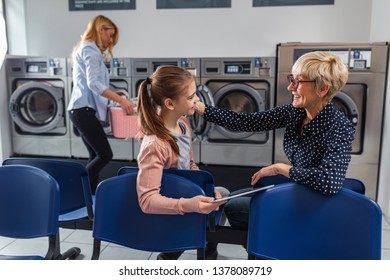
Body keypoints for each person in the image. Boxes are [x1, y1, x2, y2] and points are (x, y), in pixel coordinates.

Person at [194, 51, 355, 229]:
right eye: (291, 80)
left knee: (233, 207)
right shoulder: (296, 112)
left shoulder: (339, 127)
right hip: (297, 189)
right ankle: (227, 248)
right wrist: (204, 110)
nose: (290, 87)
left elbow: (329, 182)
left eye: (297, 82)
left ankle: (267, 250)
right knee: (227, 198)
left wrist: (281, 168)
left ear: (322, 89)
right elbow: (248, 122)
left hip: (314, 203)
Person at [136, 65, 228, 260]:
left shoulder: (183, 124)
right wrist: (190, 204)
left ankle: (206, 251)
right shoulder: (154, 144)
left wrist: (207, 190)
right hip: (172, 207)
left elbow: (190, 165)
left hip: (186, 196)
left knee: (223, 195)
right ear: (170, 103)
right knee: (220, 201)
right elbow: (147, 201)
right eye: (190, 97)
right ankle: (171, 255)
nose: (197, 100)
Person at [67, 15, 134, 194]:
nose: (110, 40)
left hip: (80, 109)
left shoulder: (87, 48)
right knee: (105, 155)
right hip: (83, 110)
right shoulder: (91, 50)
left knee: (94, 155)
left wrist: (116, 95)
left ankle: (90, 200)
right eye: (109, 35)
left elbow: (96, 84)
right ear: (100, 30)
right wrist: (120, 100)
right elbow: (94, 83)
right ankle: (72, 190)